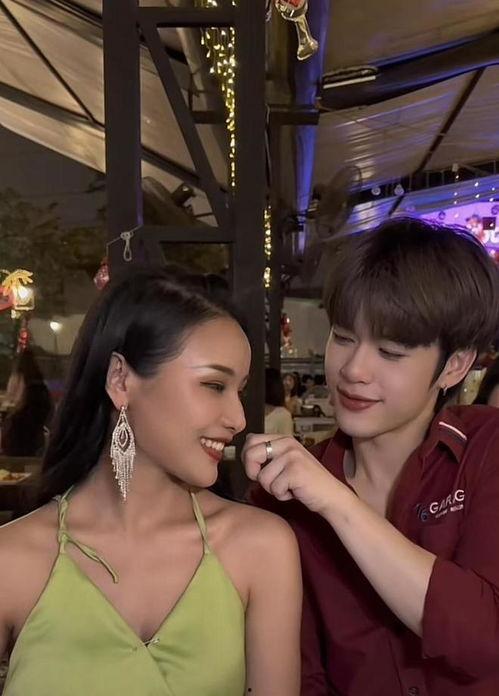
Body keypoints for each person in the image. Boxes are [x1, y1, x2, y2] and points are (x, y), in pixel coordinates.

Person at [0, 269, 301, 696]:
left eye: (239, 390)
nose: (237, 419)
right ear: (121, 380)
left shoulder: (261, 548)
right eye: (214, 385)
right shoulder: (13, 560)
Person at [246, 218, 499, 695]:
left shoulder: (486, 449)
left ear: (455, 365)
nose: (354, 370)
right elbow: (302, 675)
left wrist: (339, 504)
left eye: (391, 351)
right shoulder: (282, 496)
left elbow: (486, 639)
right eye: (343, 337)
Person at [0, 349, 53, 457]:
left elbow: (12, 401)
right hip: (35, 440)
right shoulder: (41, 387)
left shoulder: (18, 379)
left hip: (16, 437)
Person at [265, 368, 294, 436]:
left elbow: (287, 441)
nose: (287, 383)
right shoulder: (249, 411)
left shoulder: (282, 415)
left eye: (290, 380)